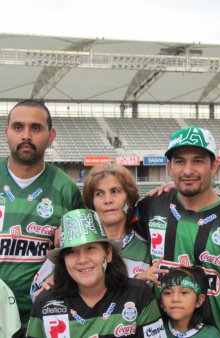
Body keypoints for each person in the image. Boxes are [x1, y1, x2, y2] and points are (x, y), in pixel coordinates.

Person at [135, 126, 220, 338]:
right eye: (179, 161)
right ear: (169, 166)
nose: (187, 170)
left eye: (198, 161)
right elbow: (115, 233)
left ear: (214, 166)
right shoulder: (151, 206)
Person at [0, 100, 83, 334]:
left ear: (51, 135)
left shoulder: (66, 189)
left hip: (43, 316)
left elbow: (83, 252)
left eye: (36, 128)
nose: (26, 135)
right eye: (18, 127)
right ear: (6, 133)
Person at [30, 164, 166, 300]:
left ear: (129, 199)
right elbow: (35, 292)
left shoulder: (147, 248)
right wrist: (61, 286)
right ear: (92, 203)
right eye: (99, 194)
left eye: (115, 191)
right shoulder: (75, 240)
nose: (108, 200)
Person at [26, 209, 166, 338]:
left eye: (90, 248)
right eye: (72, 252)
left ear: (109, 253)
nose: (82, 260)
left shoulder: (139, 295)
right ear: (63, 260)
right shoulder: (45, 303)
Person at [159, 266, 220, 337]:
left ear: (199, 300)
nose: (175, 299)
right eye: (168, 293)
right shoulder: (155, 331)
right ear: (161, 301)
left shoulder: (211, 335)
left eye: (184, 293)